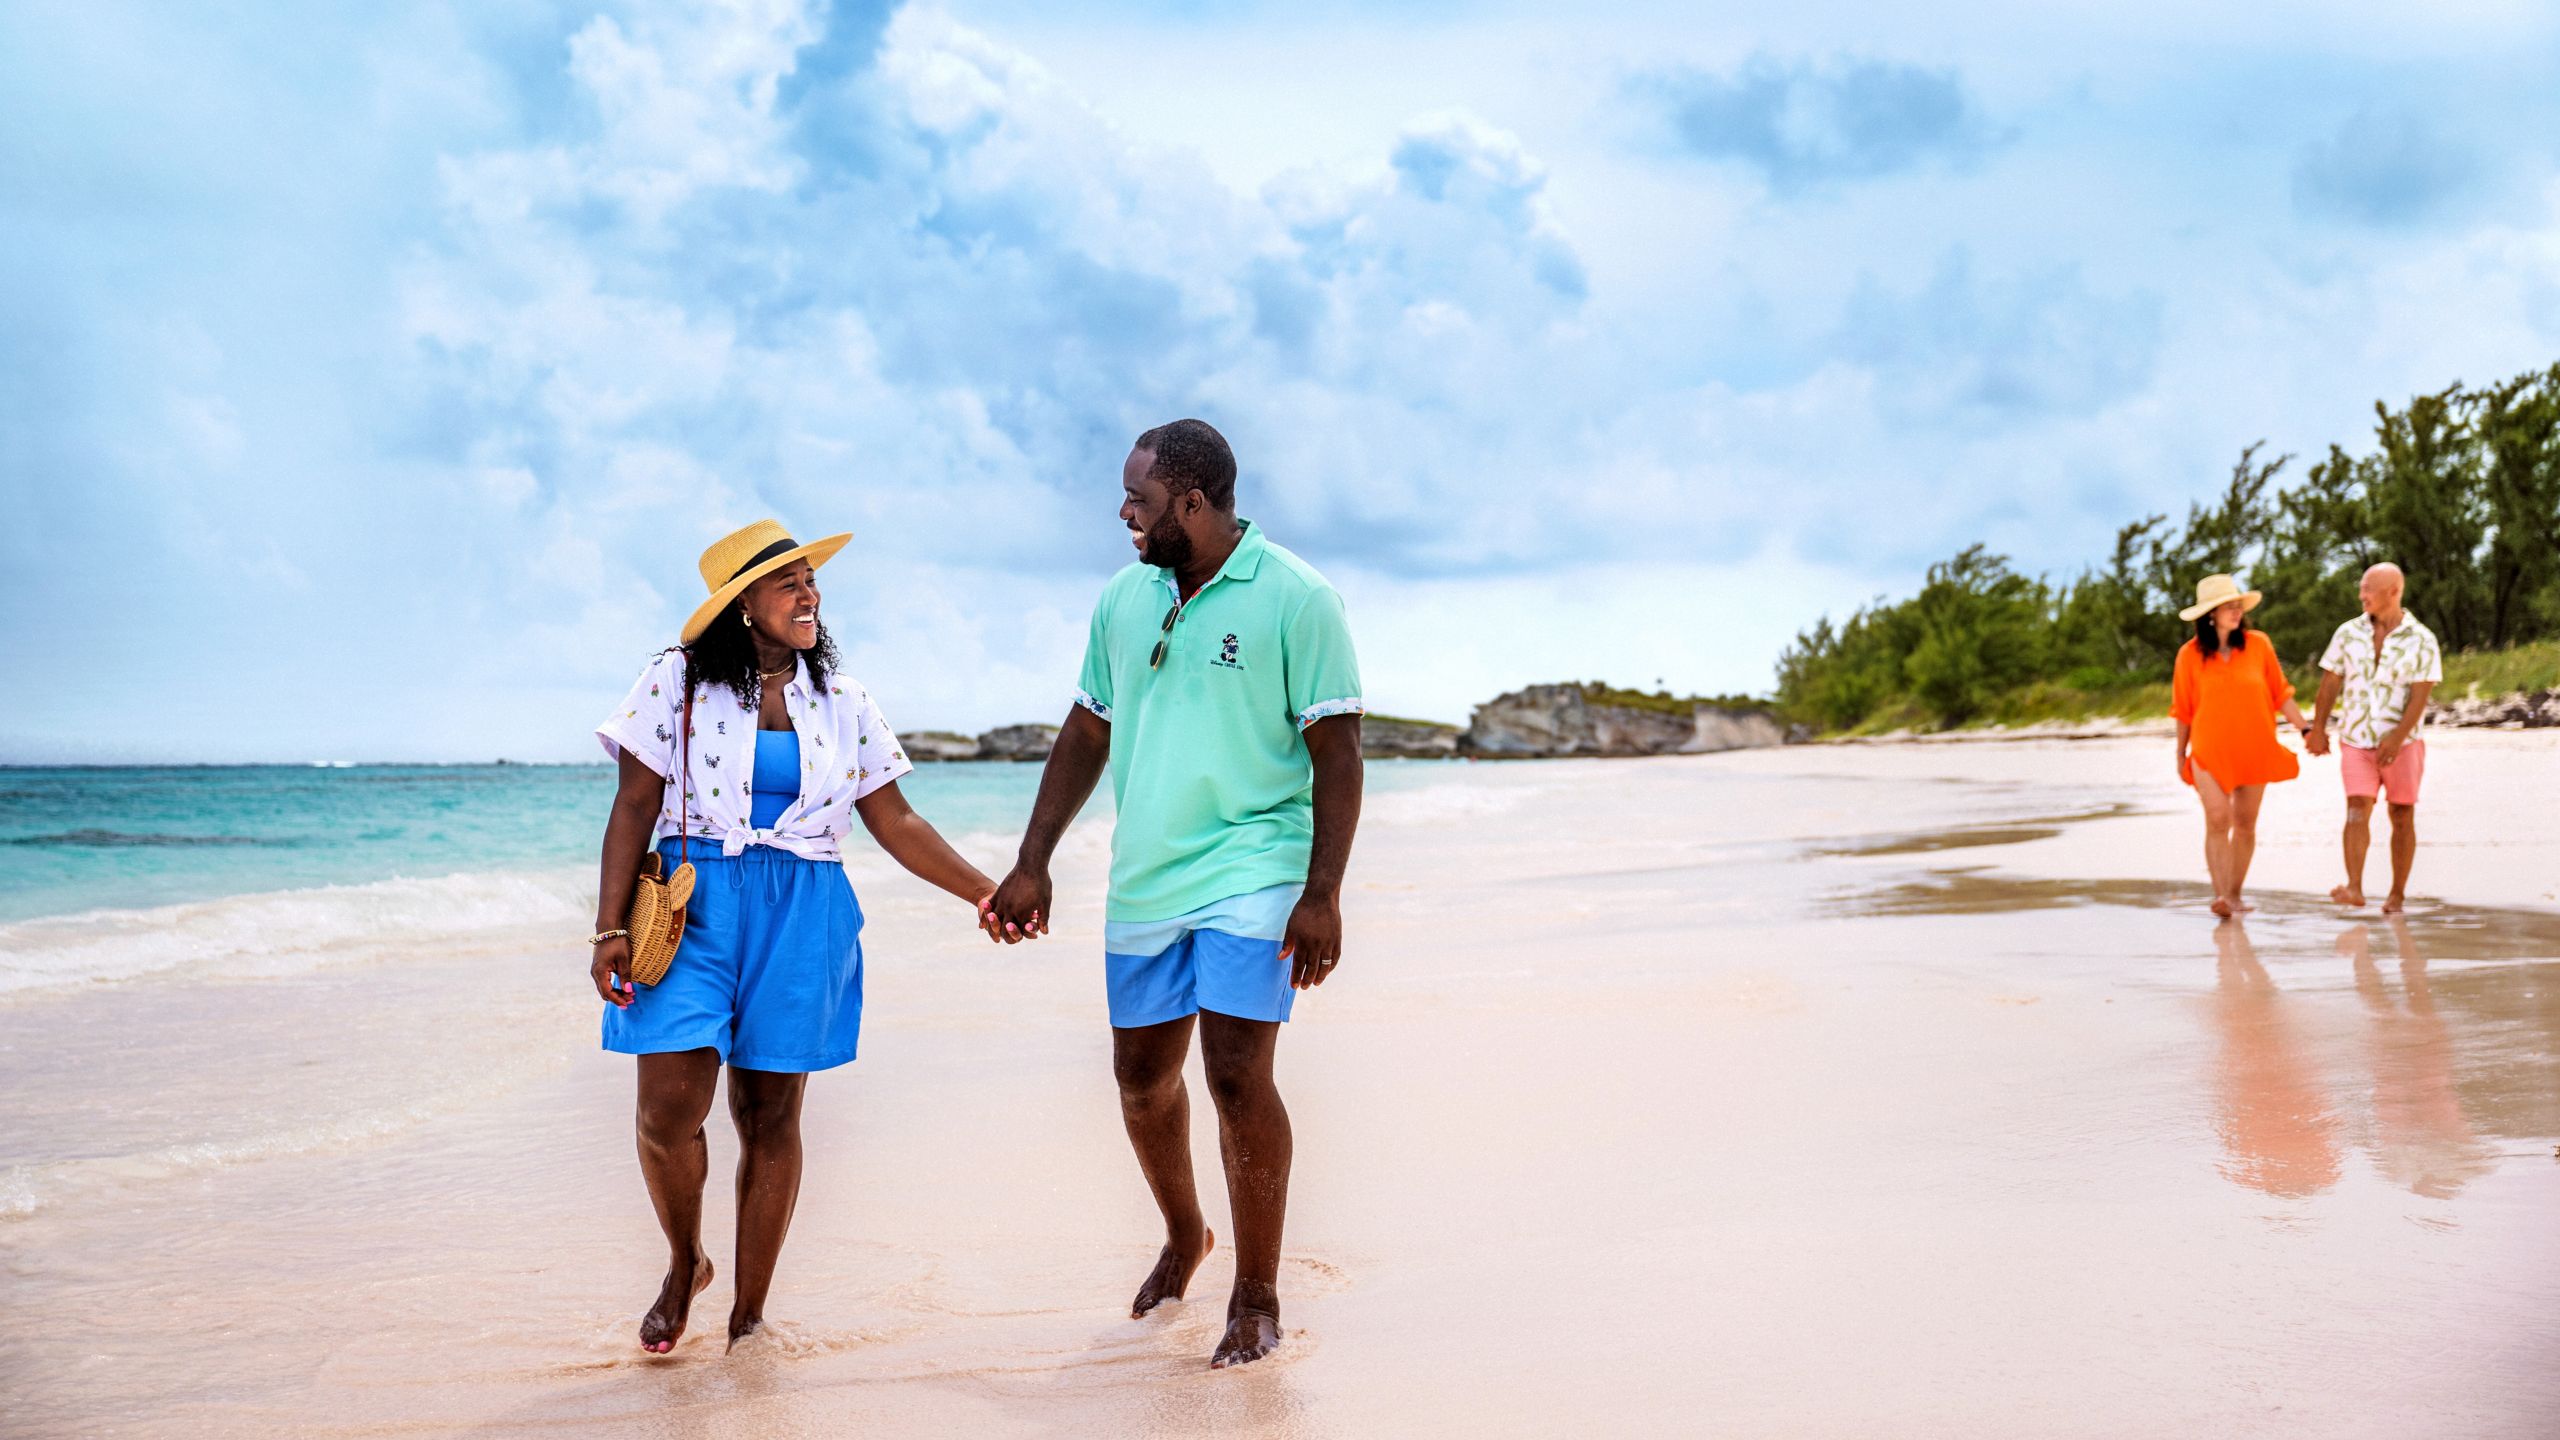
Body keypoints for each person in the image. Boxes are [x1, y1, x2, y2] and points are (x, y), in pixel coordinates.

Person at [985, 419, 1366, 1369]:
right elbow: (1085, 729)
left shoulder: (1299, 598)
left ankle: (1258, 1293)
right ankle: (1185, 1232)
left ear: (1192, 503)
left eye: (1139, 501)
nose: (1123, 513)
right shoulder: (1125, 597)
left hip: (1257, 861)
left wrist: (1322, 893)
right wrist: (1034, 861)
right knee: (1141, 1079)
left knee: (1236, 1072)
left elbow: (1339, 754)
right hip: (1149, 871)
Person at [588, 519, 1013, 1353]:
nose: (809, 595)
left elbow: (895, 820)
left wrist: (985, 891)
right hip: (692, 901)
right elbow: (633, 805)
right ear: (740, 605)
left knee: (770, 1113)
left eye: (811, 580)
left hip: (805, 908)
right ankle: (685, 1264)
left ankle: (748, 1318)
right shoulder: (674, 682)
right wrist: (607, 925)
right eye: (788, 583)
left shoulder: (843, 699)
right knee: (667, 1112)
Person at [2169, 574, 2315, 919]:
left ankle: (2234, 894)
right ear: (2210, 614)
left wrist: (2306, 729)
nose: (2236, 611)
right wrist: (2180, 753)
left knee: (2246, 824)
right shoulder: (2188, 656)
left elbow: (2281, 694)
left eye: (2238, 606)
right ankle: (2220, 895)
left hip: (2254, 745)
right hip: (2209, 749)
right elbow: (2183, 709)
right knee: (2218, 819)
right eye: (2228, 607)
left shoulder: (2258, 644)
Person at [2306, 562, 2442, 913]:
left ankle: (2396, 894)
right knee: (2355, 809)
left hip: (2404, 743)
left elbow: (2420, 695)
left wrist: (2397, 737)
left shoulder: (2422, 639)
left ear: (2393, 591)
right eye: (2362, 587)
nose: (2361, 595)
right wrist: (2318, 728)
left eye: (2368, 588)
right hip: (2355, 738)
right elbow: (2330, 684)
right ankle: (2354, 887)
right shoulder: (2347, 633)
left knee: (2401, 814)